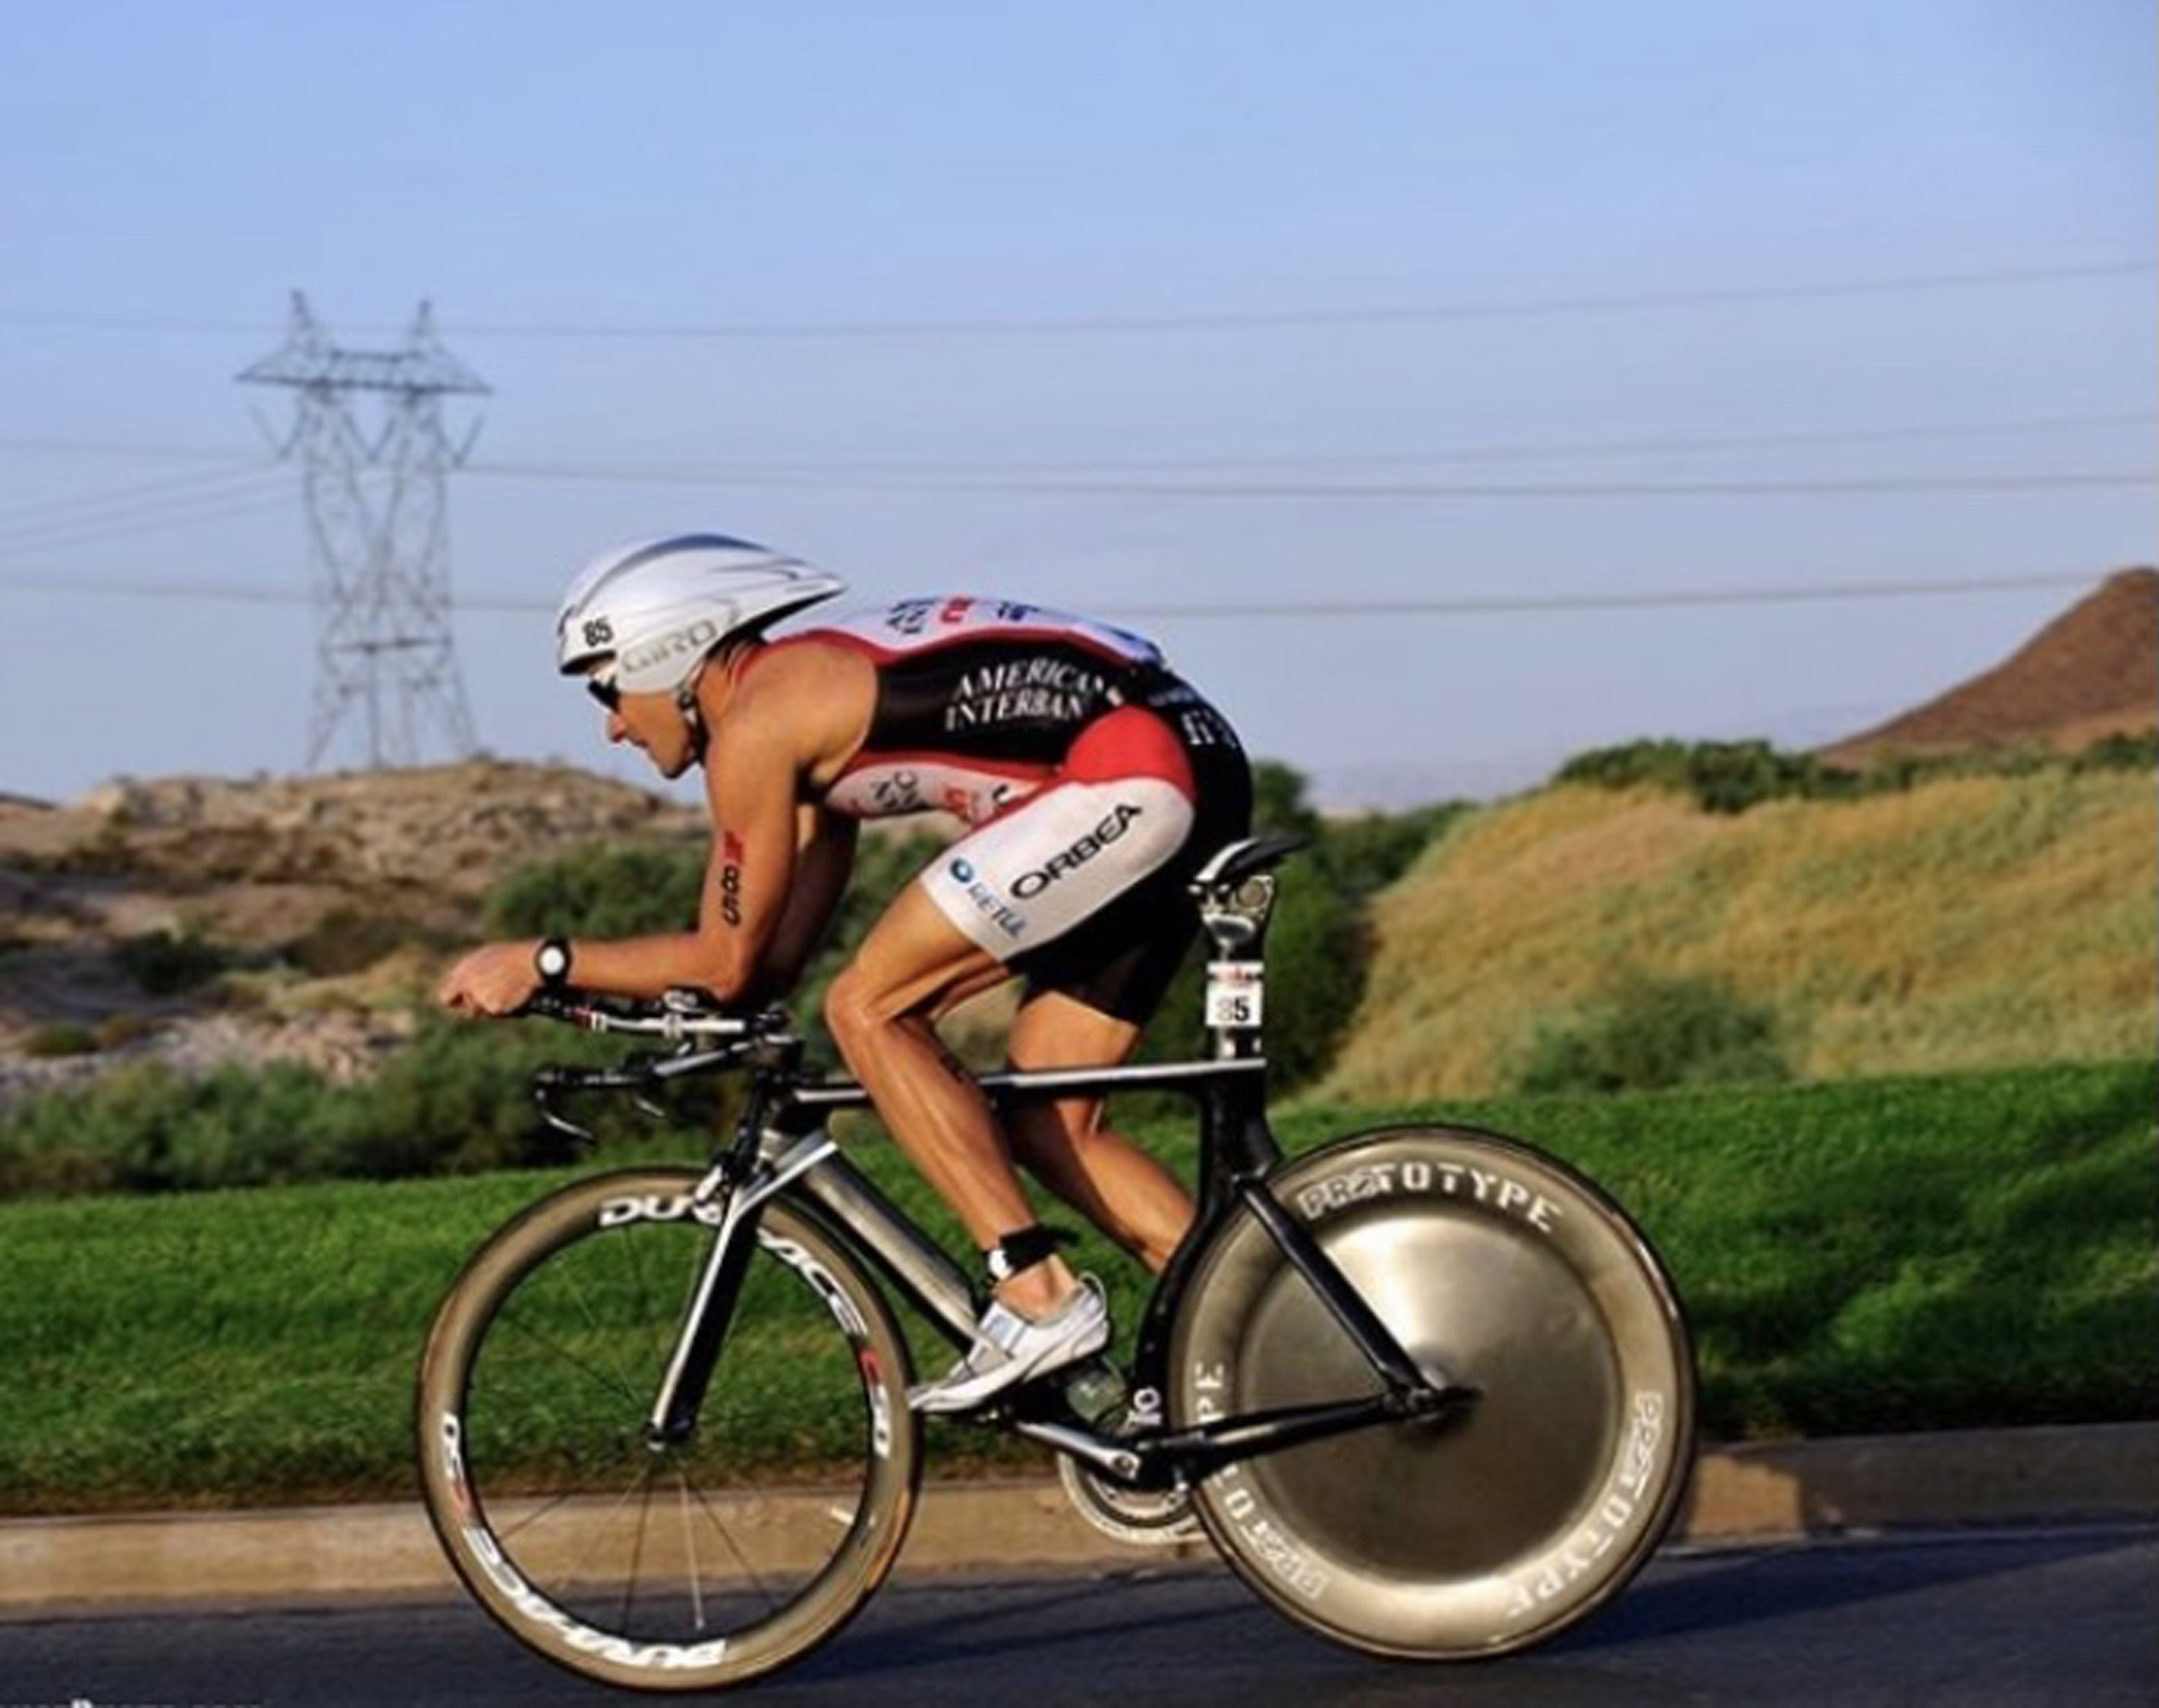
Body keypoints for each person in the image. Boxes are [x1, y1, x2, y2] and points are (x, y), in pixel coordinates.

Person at [437, 533, 1252, 1413]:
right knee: (1047, 1121)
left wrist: (541, 959)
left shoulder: (757, 726)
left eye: (608, 686)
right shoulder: (801, 716)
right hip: (1184, 758)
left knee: (868, 1007)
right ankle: (1259, 1346)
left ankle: (1035, 1292)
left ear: (664, 652)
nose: (610, 722)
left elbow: (722, 957)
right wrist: (610, 1001)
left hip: (1129, 771)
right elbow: (759, 968)